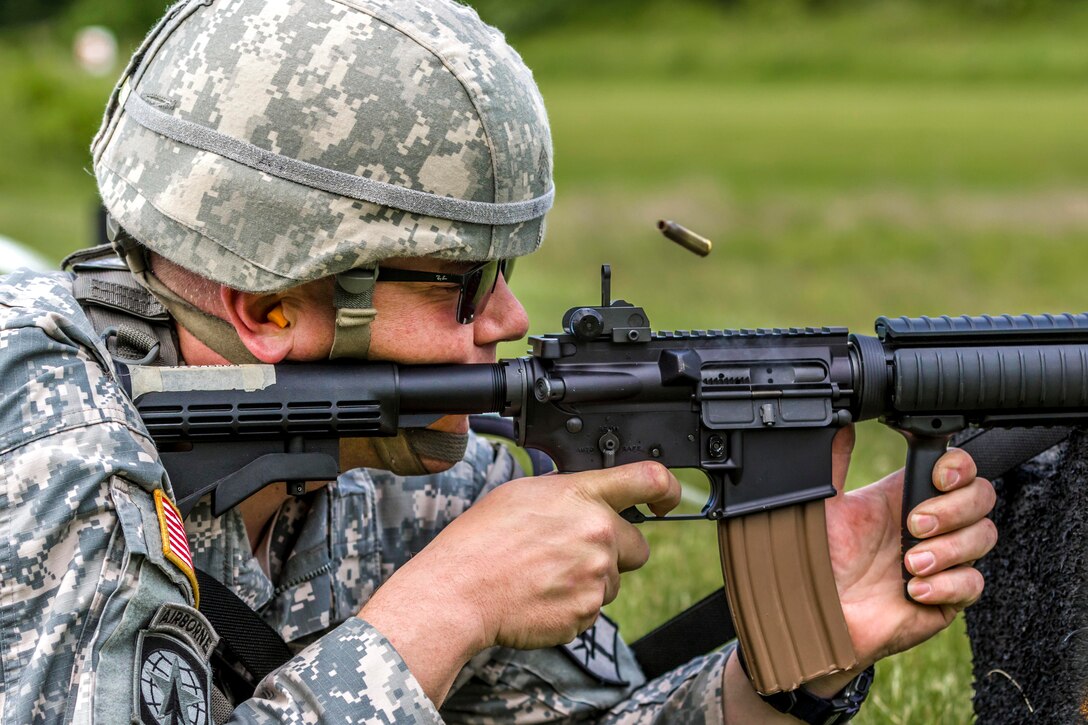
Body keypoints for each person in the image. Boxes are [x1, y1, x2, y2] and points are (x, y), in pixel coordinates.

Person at [0, 0, 997, 722]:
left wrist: (784, 675)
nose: (510, 317)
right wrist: (444, 609)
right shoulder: (50, 453)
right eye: (460, 285)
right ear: (269, 307)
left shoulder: (404, 457)